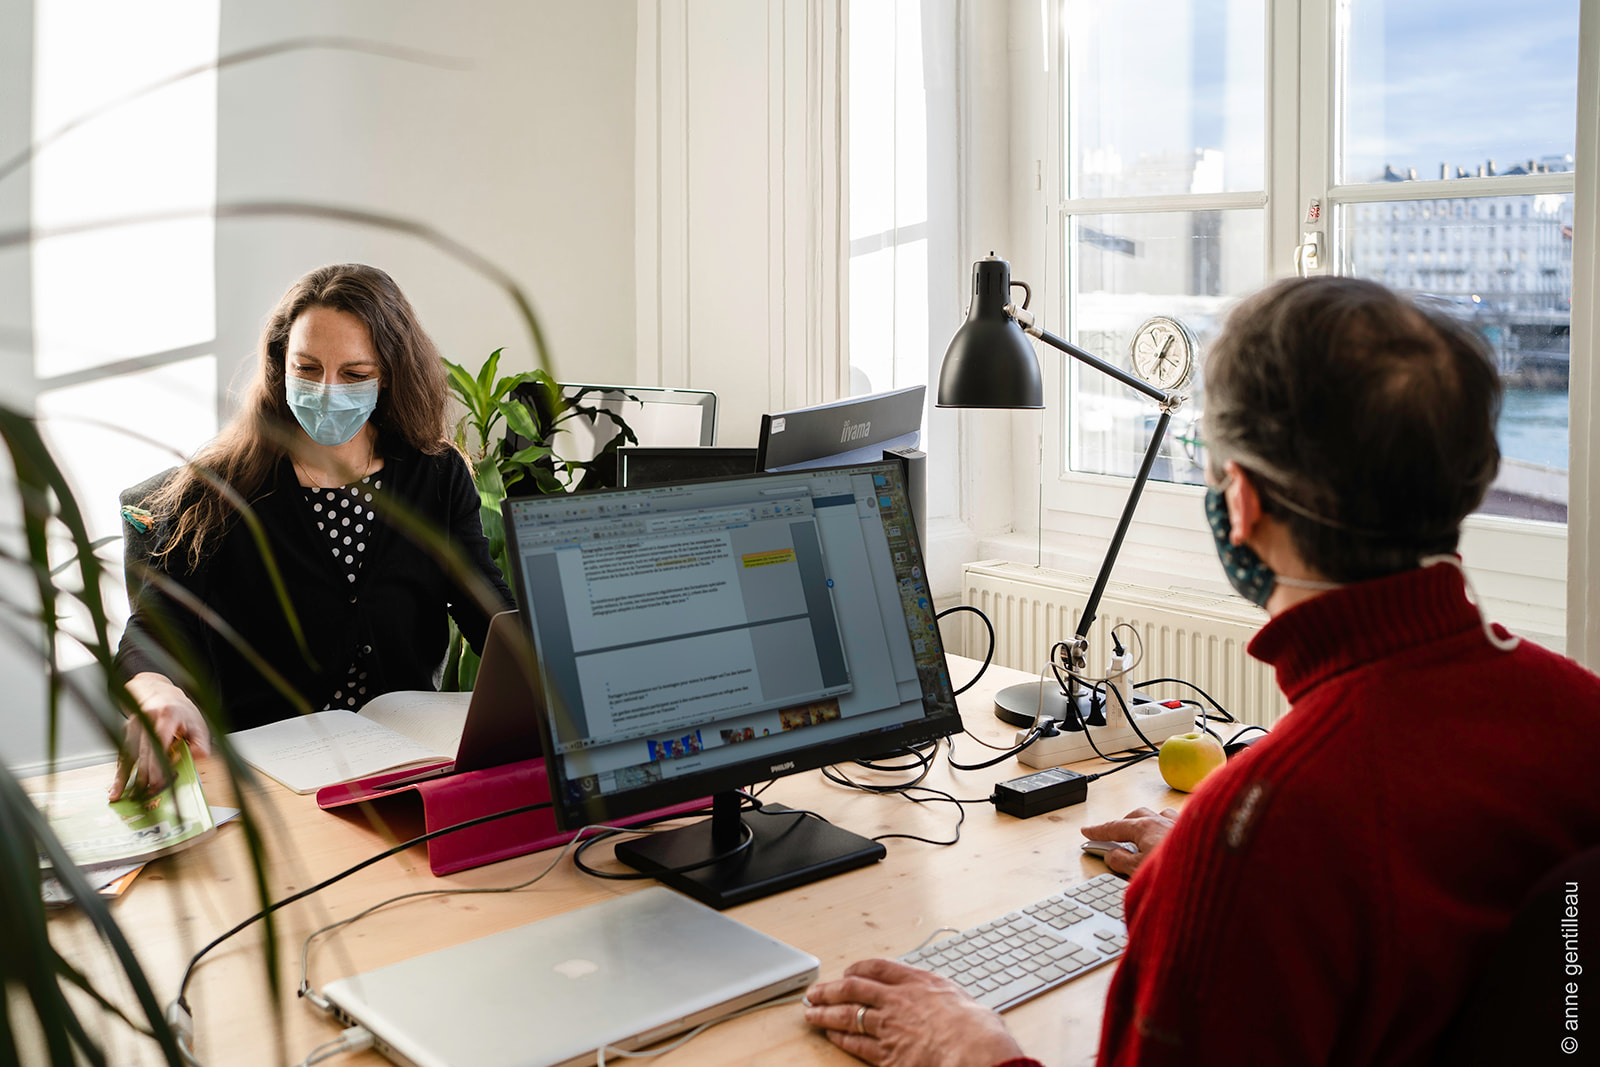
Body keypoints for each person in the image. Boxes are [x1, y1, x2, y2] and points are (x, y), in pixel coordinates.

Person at [803, 275, 1600, 1064]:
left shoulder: (1264, 832)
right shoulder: (1580, 713)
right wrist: (1226, 876)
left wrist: (969, 1048)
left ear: (1241, 502)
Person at [113, 263, 514, 798]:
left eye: (354, 374)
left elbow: (486, 608)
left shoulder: (436, 475)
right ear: (280, 365)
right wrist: (154, 687)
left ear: (389, 374)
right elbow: (157, 623)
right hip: (272, 775)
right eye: (306, 368)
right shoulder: (218, 486)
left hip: (403, 764)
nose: (327, 391)